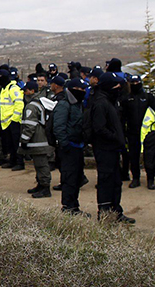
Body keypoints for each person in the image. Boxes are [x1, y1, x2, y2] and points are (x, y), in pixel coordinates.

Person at [89, 73, 132, 223]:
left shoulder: (110, 101)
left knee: (115, 181)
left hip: (113, 148)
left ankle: (116, 211)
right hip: (104, 149)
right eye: (115, 86)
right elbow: (99, 128)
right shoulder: (101, 103)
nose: (118, 89)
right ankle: (105, 214)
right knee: (106, 181)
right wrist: (115, 137)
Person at [53, 78, 87, 215]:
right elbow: (58, 127)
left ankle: (74, 206)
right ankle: (68, 207)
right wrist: (65, 144)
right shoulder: (64, 105)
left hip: (77, 146)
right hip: (69, 148)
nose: (83, 92)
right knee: (69, 179)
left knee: (76, 178)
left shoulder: (78, 104)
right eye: (80, 89)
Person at [19, 79, 55, 197]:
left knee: (41, 165)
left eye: (26, 90)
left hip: (38, 142)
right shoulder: (38, 102)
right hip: (40, 141)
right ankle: (40, 185)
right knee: (39, 165)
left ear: (32, 91)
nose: (24, 93)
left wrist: (24, 140)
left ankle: (45, 188)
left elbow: (30, 126)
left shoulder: (31, 106)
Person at [123, 74, 155, 190]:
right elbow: (122, 115)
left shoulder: (148, 97)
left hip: (148, 133)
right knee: (133, 157)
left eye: (136, 83)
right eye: (132, 83)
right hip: (132, 132)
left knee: (149, 157)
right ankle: (136, 178)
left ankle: (150, 179)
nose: (134, 85)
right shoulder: (127, 98)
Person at [0, 72, 24, 170]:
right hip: (6, 122)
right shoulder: (4, 89)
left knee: (16, 143)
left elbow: (19, 104)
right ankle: (12, 161)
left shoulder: (13, 88)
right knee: (10, 143)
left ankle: (20, 162)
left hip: (13, 121)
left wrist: (14, 119)